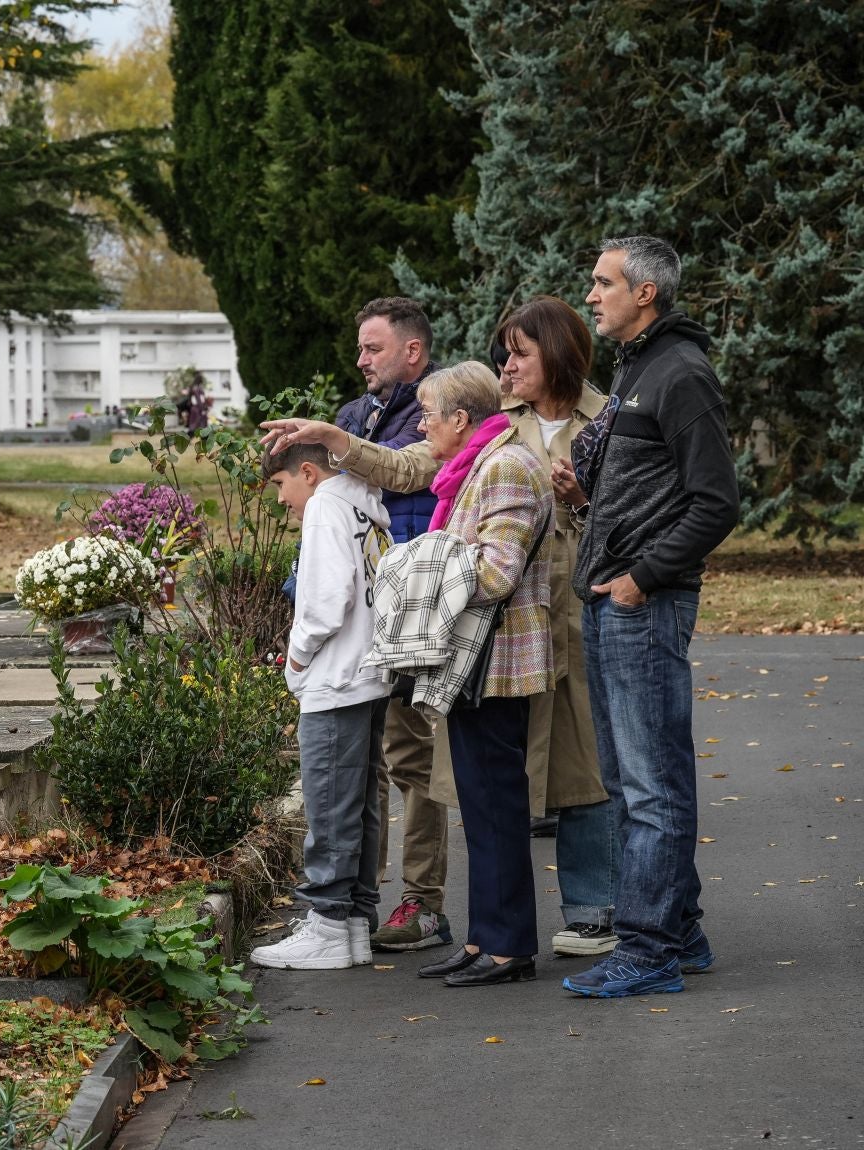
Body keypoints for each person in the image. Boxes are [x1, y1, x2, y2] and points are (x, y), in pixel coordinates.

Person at [260, 361, 553, 987]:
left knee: (496, 804)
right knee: (477, 801)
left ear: (461, 420)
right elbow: (398, 469)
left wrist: (415, 565)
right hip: (470, 661)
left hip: (496, 662)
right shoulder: (468, 464)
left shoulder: (506, 465)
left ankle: (507, 946)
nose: (420, 427)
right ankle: (486, 938)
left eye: (428, 416)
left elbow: (496, 572)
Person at [555, 235, 738, 998]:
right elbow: (649, 496)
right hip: (610, 600)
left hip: (643, 604)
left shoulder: (682, 374)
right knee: (633, 779)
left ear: (646, 294)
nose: (592, 295)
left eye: (603, 284)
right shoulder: (637, 371)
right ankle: (681, 929)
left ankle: (649, 949)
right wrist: (586, 503)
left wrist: (641, 579)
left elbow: (716, 503)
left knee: (652, 782)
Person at [494, 297, 617, 958]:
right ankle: (501, 927)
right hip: (510, 621)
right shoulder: (496, 422)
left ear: (558, 355)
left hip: (583, 613)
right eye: (505, 353)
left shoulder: (610, 420)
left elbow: (633, 518)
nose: (508, 366)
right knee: (504, 769)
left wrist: (583, 501)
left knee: (583, 763)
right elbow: (432, 471)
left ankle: (593, 909)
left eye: (520, 353)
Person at [249, 441, 393, 971]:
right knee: (359, 802)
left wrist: (298, 657)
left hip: (334, 678)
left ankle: (328, 925)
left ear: (307, 472)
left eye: (282, 487)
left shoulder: (326, 509)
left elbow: (328, 599)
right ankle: (354, 921)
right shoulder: (362, 503)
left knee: (329, 801)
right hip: (368, 672)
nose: (284, 502)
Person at [335, 297, 449, 954]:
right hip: (357, 614)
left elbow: (404, 471)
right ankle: (359, 898)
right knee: (364, 757)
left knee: (412, 757)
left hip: (409, 610)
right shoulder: (357, 414)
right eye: (360, 348)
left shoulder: (438, 411)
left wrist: (337, 447)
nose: (361, 360)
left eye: (373, 348)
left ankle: (423, 902)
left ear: (412, 351)